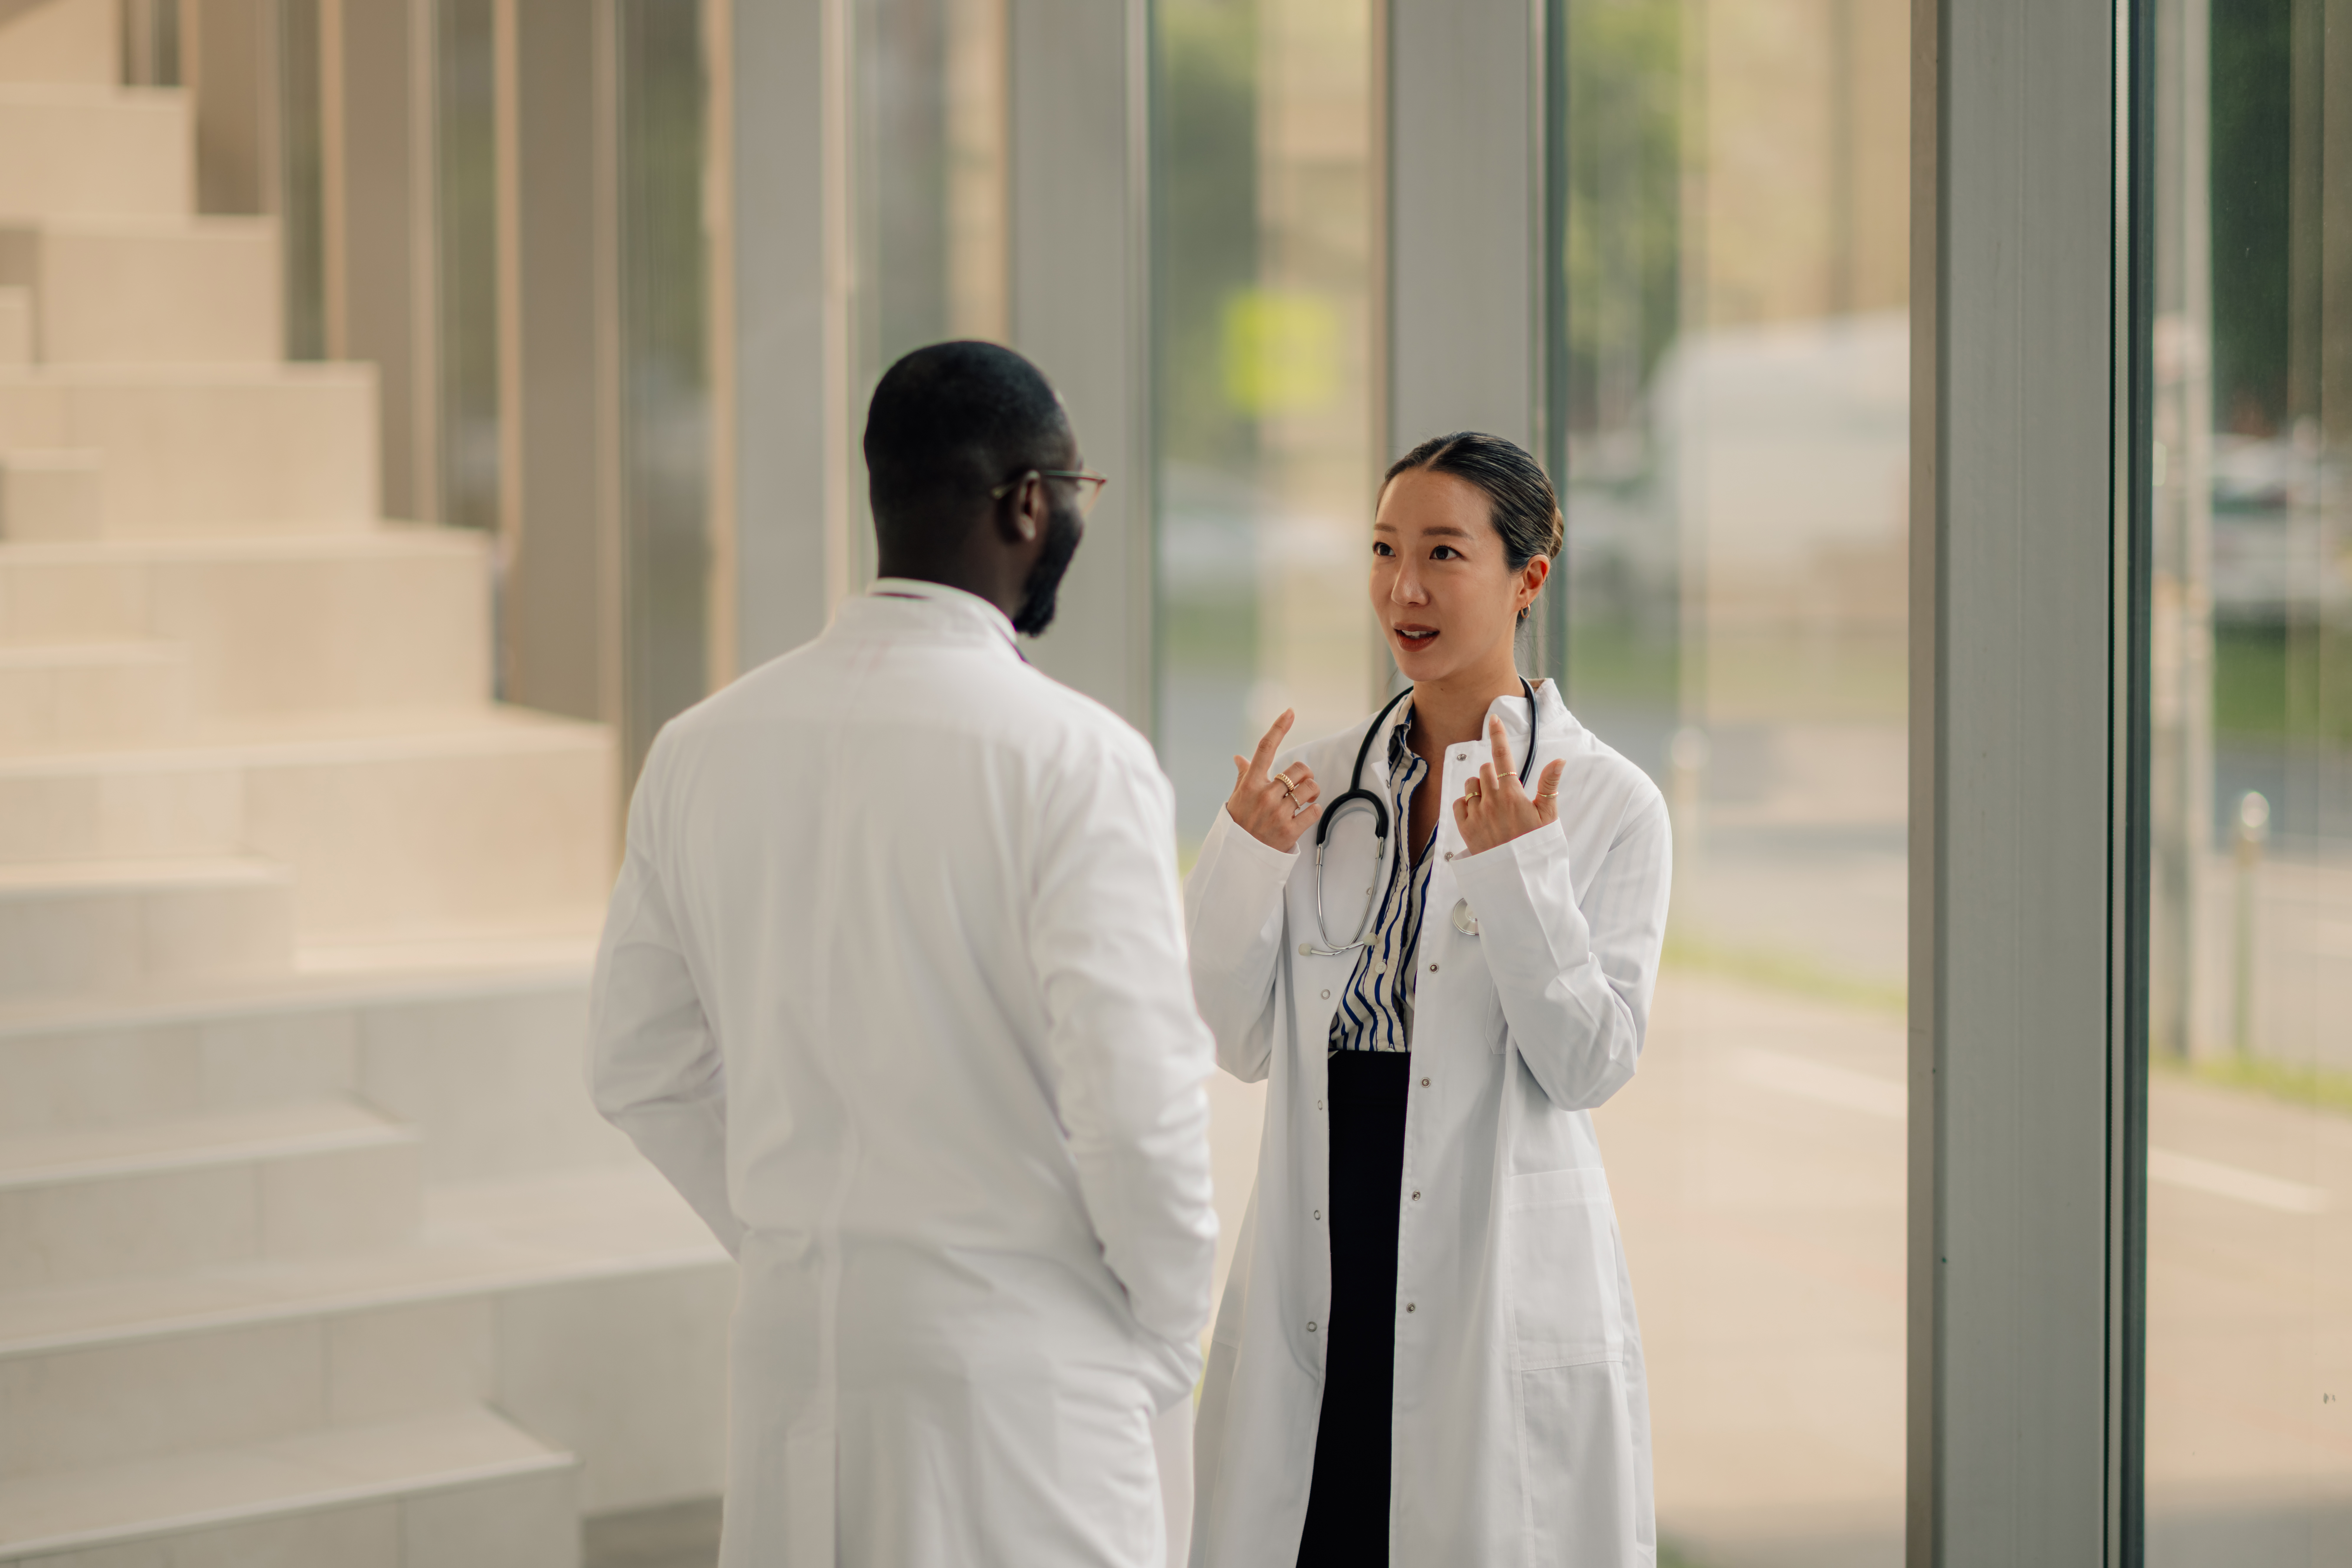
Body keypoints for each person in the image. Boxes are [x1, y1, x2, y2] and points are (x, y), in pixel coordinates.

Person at [588, 340, 1218, 1568]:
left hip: (792, 1364)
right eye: (1075, 494)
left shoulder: (700, 749)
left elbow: (638, 1067)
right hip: (1023, 1379)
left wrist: (803, 1234)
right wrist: (1161, 1334)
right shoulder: (1074, 760)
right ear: (1027, 503)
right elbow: (1139, 1109)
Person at [1183, 432, 1672, 1566]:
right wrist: (1245, 858)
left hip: (1487, 1249)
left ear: (1527, 578)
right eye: (1383, 550)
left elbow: (1591, 1061)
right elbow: (1235, 1037)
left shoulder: (1606, 802)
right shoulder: (1314, 781)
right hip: (1327, 1236)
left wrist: (1518, 872)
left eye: (1444, 552)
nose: (1403, 588)